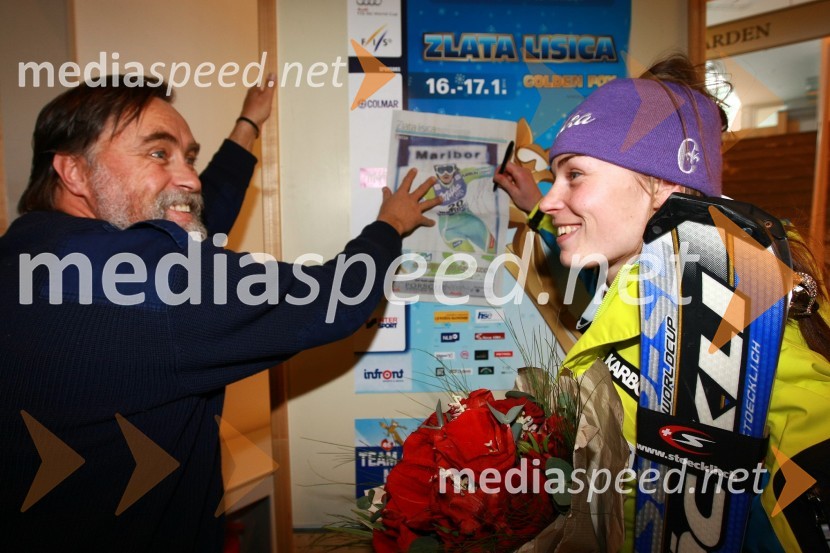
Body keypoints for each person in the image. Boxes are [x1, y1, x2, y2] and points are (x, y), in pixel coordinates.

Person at [0, 76, 440, 553]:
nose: (189, 177)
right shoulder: (144, 280)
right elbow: (335, 297)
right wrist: (391, 223)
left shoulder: (27, 250)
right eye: (157, 153)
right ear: (75, 172)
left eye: (187, 156)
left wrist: (249, 123)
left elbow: (194, 218)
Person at [494, 54, 830, 552]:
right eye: (555, 178)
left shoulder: (729, 306)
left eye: (575, 175)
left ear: (665, 186)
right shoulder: (651, 279)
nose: (549, 198)